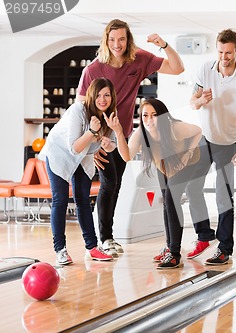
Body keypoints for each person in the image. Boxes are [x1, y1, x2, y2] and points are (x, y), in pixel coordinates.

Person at [77, 19, 185, 257]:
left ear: (128, 40)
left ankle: (108, 237)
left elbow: (177, 68)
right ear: (106, 41)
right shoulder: (93, 70)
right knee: (109, 183)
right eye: (112, 39)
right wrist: (90, 143)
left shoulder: (139, 59)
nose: (117, 44)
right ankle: (104, 238)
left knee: (116, 185)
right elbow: (80, 108)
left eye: (122, 39)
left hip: (122, 134)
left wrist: (164, 45)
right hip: (100, 137)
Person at [186, 28, 236, 265]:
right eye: (220, 51)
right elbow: (192, 102)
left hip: (227, 145)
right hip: (206, 139)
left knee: (223, 198)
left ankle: (225, 248)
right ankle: (204, 235)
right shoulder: (205, 69)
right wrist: (200, 100)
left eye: (228, 52)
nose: (224, 57)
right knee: (192, 188)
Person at [105, 98, 202, 269]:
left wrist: (187, 154)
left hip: (188, 162)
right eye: (145, 115)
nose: (149, 120)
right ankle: (169, 246)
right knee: (167, 201)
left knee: (172, 199)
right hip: (165, 164)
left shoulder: (174, 128)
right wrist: (119, 133)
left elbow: (198, 131)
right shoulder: (141, 133)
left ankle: (174, 253)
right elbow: (126, 156)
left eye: (154, 115)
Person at [38, 78, 116, 265]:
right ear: (91, 95)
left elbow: (112, 144)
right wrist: (91, 131)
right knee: (61, 199)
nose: (102, 99)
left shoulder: (111, 115)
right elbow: (74, 148)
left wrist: (108, 144)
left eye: (106, 95)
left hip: (84, 156)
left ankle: (92, 247)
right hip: (60, 153)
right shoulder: (78, 110)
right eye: (98, 95)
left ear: (112, 96)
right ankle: (60, 250)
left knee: (83, 199)